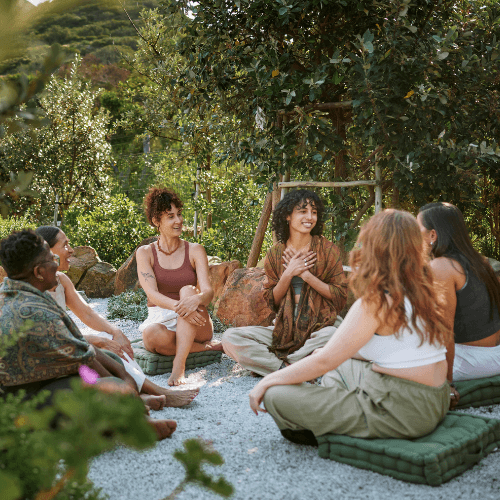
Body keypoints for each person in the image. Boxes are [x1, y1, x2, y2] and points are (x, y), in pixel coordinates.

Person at [248, 210, 452, 446]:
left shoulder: (376, 301)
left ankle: (333, 425)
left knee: (275, 395)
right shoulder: (426, 289)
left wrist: (267, 381)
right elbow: (397, 348)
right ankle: (341, 408)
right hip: (437, 398)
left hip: (406, 411)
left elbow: (323, 362)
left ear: (373, 248)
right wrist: (331, 355)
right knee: (340, 363)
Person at [0, 230, 176, 439]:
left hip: (43, 382)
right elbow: (85, 362)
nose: (56, 263)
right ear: (38, 272)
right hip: (21, 405)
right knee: (105, 385)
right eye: (52, 259)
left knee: (111, 359)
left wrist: (120, 372)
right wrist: (122, 383)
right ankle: (131, 418)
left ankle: (127, 405)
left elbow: (82, 348)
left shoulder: (14, 292)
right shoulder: (36, 313)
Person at [35, 226, 198, 408]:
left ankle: (138, 394)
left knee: (117, 351)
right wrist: (98, 340)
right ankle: (151, 393)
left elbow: (87, 313)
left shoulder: (61, 281)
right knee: (96, 361)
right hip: (54, 357)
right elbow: (50, 338)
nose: (71, 250)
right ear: (47, 251)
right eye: (65, 245)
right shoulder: (30, 290)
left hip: (70, 347)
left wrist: (115, 332)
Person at [222, 189, 348, 376]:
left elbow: (340, 296)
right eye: (303, 211)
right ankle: (290, 368)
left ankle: (276, 365)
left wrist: (306, 276)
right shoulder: (275, 254)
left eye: (314, 212)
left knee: (334, 336)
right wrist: (288, 274)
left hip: (321, 325)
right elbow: (272, 301)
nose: (310, 217)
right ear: (287, 215)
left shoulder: (328, 250)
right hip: (284, 328)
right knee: (230, 338)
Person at [136, 187, 222, 387]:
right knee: (150, 336)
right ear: (156, 221)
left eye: (179, 214)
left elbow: (208, 292)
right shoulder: (145, 253)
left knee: (187, 290)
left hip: (196, 320)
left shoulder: (195, 250)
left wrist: (195, 300)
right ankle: (210, 348)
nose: (179, 220)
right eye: (171, 216)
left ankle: (179, 365)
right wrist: (181, 308)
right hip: (163, 318)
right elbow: (152, 294)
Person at [417, 202, 500, 384]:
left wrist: (447, 382)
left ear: (433, 235)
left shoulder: (441, 266)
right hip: (495, 356)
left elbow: (444, 331)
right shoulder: (482, 262)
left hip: (469, 361)